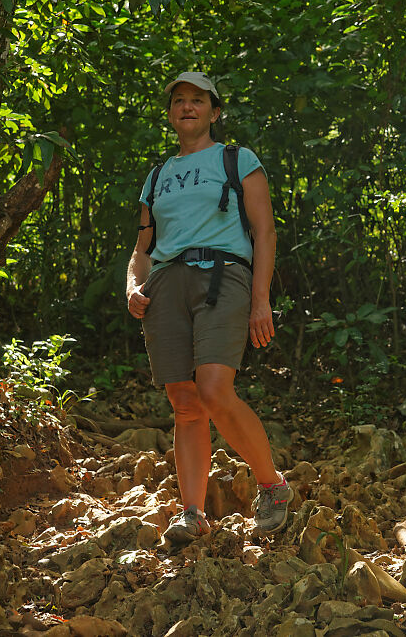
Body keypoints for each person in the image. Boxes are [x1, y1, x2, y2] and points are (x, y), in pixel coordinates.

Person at [125, 71, 293, 544]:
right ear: (171, 113)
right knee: (184, 401)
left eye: (197, 100)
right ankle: (193, 512)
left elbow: (265, 232)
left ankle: (273, 486)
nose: (187, 106)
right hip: (166, 285)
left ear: (214, 112)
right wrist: (133, 286)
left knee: (215, 390)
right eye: (178, 100)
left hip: (223, 276)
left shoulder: (238, 160)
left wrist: (261, 300)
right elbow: (141, 249)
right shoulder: (156, 177)